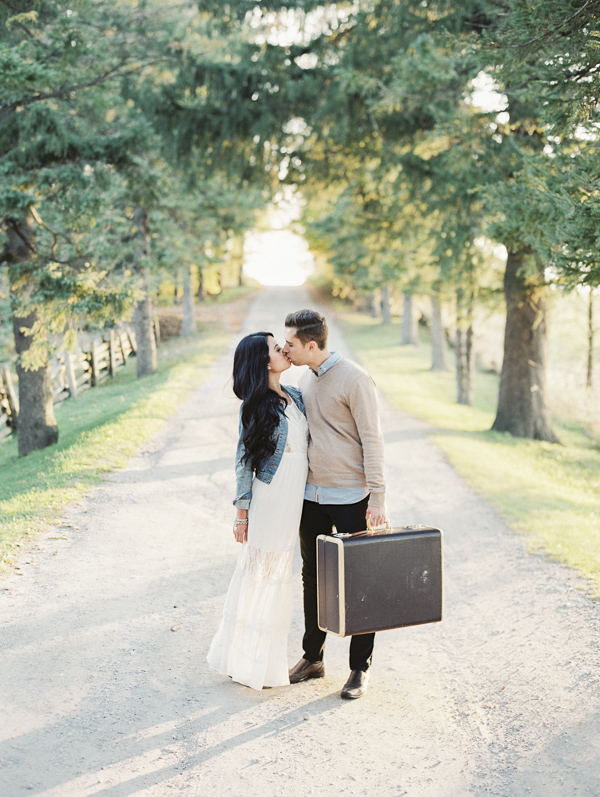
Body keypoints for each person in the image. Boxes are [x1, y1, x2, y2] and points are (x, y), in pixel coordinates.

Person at [282, 309, 386, 700]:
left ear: (311, 345)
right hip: (312, 498)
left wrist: (378, 496)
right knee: (313, 577)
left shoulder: (356, 380)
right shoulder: (305, 379)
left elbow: (373, 440)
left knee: (359, 581)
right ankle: (313, 658)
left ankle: (359, 668)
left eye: (290, 343)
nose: (285, 349)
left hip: (350, 498)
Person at [206, 332, 309, 691]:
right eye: (275, 347)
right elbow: (243, 461)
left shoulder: (295, 395)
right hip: (271, 496)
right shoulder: (255, 405)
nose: (283, 349)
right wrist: (242, 513)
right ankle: (249, 662)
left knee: (279, 574)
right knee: (263, 575)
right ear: (265, 361)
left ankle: (260, 660)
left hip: (296, 495)